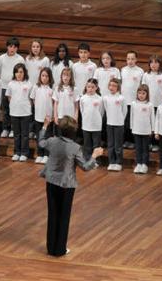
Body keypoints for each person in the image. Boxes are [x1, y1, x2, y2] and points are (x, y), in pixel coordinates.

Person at [39, 116, 103, 257]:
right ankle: (60, 249)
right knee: (64, 216)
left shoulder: (52, 141)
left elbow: (41, 142)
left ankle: (51, 248)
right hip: (67, 185)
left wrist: (44, 126)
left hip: (51, 181)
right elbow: (85, 167)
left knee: (53, 213)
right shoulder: (75, 147)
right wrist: (94, 155)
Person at [0, 37, 25, 138]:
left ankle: (14, 129)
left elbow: (22, 73)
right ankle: (5, 128)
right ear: (7, 47)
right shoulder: (1, 58)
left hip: (16, 88)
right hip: (4, 87)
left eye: (14, 47)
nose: (12, 49)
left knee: (14, 109)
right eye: (10, 46)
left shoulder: (20, 59)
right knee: (5, 109)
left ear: (17, 48)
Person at [6, 63, 32, 162]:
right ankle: (17, 152)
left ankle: (24, 153)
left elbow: (31, 98)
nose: (19, 74)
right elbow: (9, 97)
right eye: (16, 72)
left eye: (21, 72)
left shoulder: (29, 84)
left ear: (24, 72)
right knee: (16, 134)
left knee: (25, 134)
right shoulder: (11, 84)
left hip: (25, 113)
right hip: (14, 112)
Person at [30, 68, 54, 164]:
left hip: (48, 118)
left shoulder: (52, 88)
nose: (44, 78)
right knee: (39, 136)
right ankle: (40, 154)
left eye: (46, 76)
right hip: (38, 117)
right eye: (43, 75)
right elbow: (33, 99)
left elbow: (54, 102)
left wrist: (51, 115)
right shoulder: (36, 87)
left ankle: (46, 155)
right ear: (40, 76)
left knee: (47, 137)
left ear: (50, 77)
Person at [102, 78, 126, 171]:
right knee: (110, 144)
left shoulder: (121, 98)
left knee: (118, 145)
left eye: (114, 86)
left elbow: (124, 111)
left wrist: (120, 120)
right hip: (109, 124)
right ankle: (111, 162)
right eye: (110, 85)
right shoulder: (106, 98)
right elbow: (106, 109)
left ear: (118, 88)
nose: (112, 87)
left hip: (119, 124)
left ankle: (118, 162)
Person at [130, 84, 153, 174]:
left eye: (143, 93)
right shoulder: (134, 104)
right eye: (139, 93)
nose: (141, 95)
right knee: (138, 148)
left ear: (147, 94)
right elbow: (132, 117)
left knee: (145, 148)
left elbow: (152, 118)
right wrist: (132, 128)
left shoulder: (150, 105)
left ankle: (144, 164)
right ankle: (138, 163)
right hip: (136, 129)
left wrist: (152, 129)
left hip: (146, 130)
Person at [78, 79, 104, 161]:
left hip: (96, 126)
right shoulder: (83, 98)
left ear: (96, 88)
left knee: (96, 145)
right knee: (87, 144)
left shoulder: (100, 99)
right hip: (86, 125)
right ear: (86, 87)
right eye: (88, 87)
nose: (90, 89)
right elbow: (82, 111)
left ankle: (96, 160)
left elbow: (101, 111)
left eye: (93, 87)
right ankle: (87, 159)